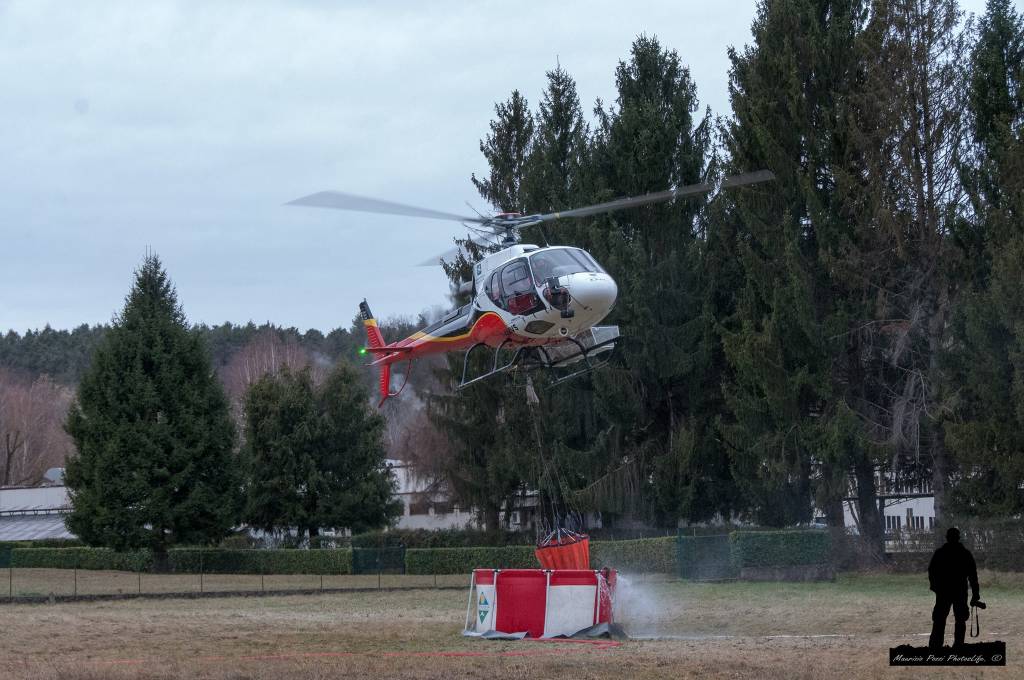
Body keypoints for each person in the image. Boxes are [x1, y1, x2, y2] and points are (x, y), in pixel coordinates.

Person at [927, 527, 981, 649]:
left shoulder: (940, 553)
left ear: (947, 538)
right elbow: (973, 576)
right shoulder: (965, 554)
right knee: (960, 620)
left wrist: (935, 587)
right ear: (958, 538)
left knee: (939, 620)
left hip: (944, 591)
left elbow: (932, 572)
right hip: (960, 591)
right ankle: (958, 646)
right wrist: (975, 593)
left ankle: (935, 647)